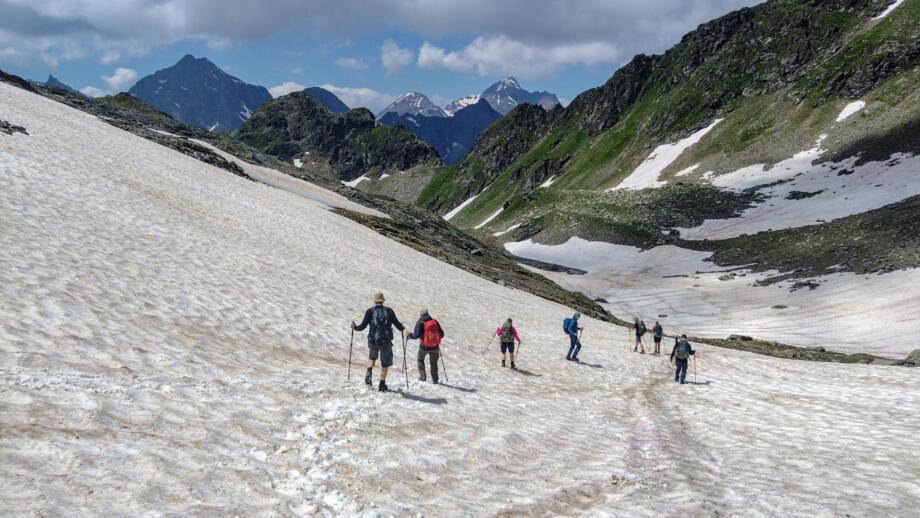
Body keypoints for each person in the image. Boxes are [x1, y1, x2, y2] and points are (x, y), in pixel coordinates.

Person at [352, 291, 405, 392]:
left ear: (375, 301)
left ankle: (369, 373)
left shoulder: (370, 311)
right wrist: (402, 327)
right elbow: (398, 326)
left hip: (373, 341)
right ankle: (382, 385)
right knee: (385, 364)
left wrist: (354, 327)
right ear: (382, 301)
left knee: (372, 358)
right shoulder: (389, 311)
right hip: (386, 342)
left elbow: (362, 327)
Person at [407, 308, 444, 384]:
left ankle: (423, 377)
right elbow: (442, 334)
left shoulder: (420, 322)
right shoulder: (435, 321)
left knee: (420, 360)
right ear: (428, 313)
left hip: (424, 346)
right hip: (435, 347)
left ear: (421, 314)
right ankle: (435, 379)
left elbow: (416, 335)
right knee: (433, 363)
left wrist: (409, 335)